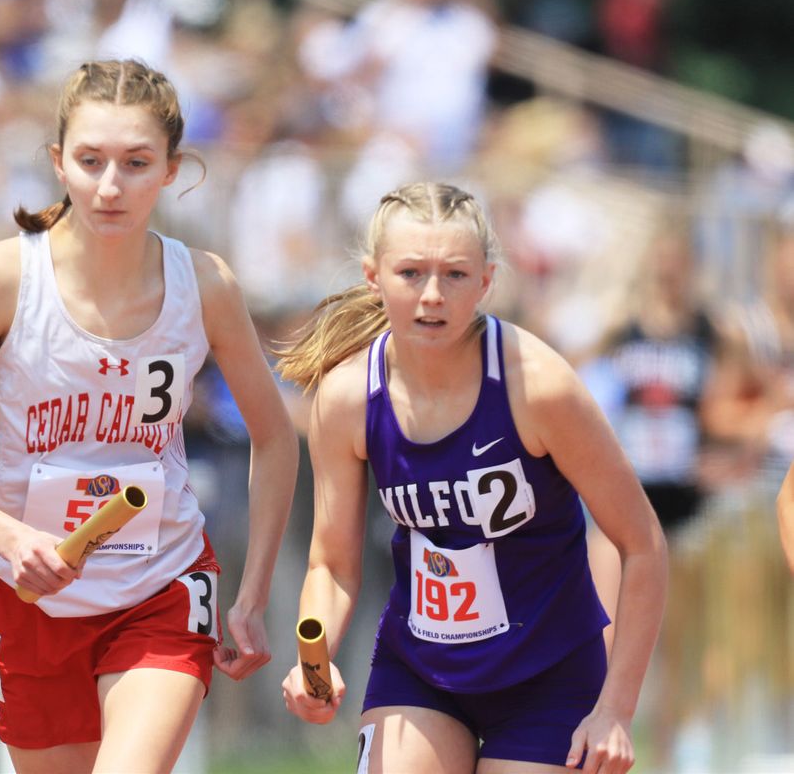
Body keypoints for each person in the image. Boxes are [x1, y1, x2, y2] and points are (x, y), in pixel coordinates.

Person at [0, 58, 298, 774]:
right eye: (90, 161)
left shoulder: (205, 284)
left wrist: (251, 594)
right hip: (26, 592)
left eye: (136, 163)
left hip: (161, 583)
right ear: (59, 163)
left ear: (172, 170)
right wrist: (12, 536)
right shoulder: (0, 278)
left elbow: (275, 438)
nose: (110, 186)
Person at [277, 182, 668, 773]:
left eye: (454, 275)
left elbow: (643, 544)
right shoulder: (348, 399)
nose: (432, 295)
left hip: (550, 677)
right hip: (421, 669)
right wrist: (316, 661)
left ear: (486, 281)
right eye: (410, 273)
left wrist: (615, 709)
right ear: (373, 277)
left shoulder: (538, 386)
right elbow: (331, 564)